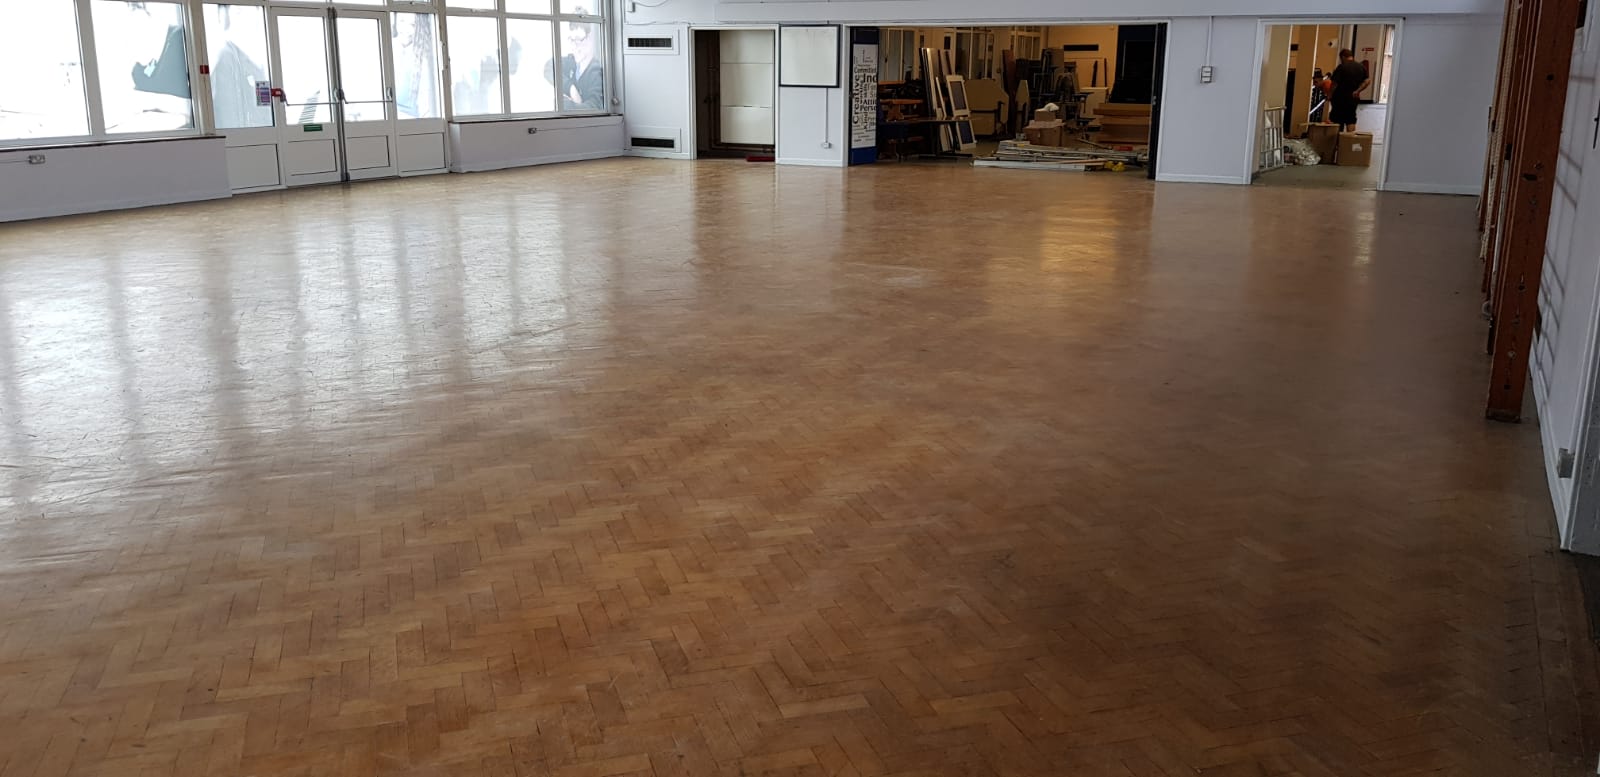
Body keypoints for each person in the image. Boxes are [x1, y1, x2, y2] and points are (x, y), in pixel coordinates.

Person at [546, 9, 604, 111]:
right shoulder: (573, 62)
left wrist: (566, 103)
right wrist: (570, 88)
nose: (573, 46)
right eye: (571, 39)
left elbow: (594, 107)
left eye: (577, 39)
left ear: (590, 39)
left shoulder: (596, 72)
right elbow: (549, 67)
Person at [1328, 49, 1370, 132]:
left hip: (1339, 99)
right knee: (1350, 119)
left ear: (1343, 57)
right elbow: (1367, 81)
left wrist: (1330, 94)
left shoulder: (1341, 67)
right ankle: (1349, 141)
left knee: (1337, 120)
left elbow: (1334, 84)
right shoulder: (1361, 66)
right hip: (1353, 99)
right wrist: (1358, 91)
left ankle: (1336, 142)